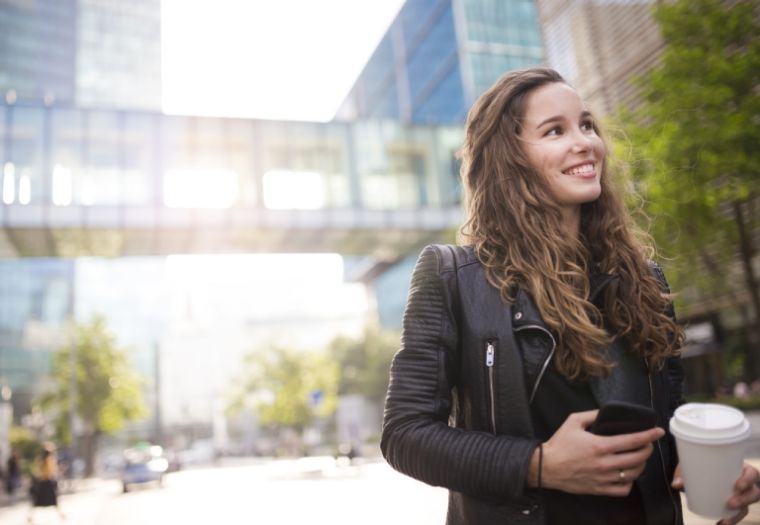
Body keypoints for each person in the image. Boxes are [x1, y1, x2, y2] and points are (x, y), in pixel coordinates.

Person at [380, 67, 760, 525]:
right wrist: (539, 465)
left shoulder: (645, 279)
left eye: (586, 125)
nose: (585, 142)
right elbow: (405, 434)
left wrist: (712, 474)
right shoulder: (453, 277)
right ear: (509, 158)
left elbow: (665, 425)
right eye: (554, 130)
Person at [28, 443, 65, 523]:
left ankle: (31, 517)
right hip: (47, 483)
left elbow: (37, 472)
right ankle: (61, 515)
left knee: (37, 501)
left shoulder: (40, 461)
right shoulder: (49, 461)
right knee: (53, 500)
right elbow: (52, 472)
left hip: (42, 483)